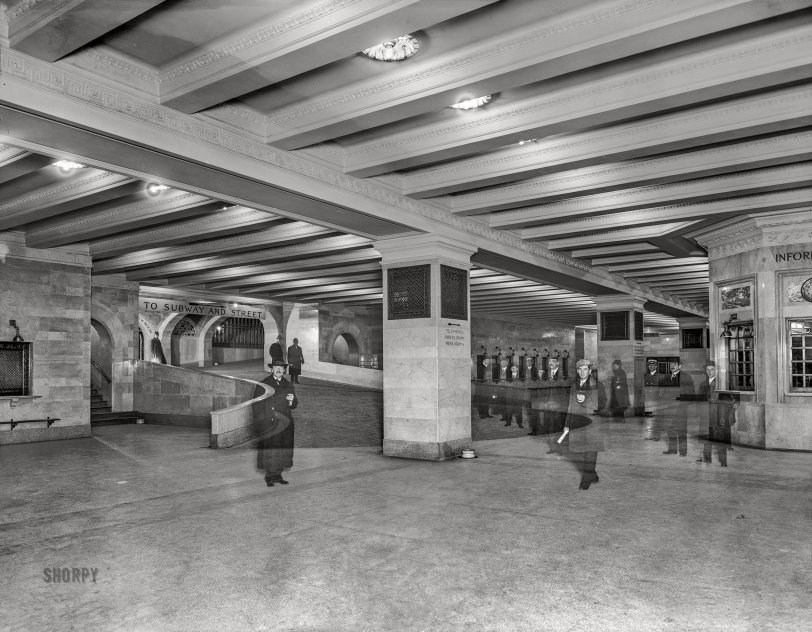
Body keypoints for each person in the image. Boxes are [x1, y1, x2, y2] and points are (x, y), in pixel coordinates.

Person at [555, 358, 607, 489]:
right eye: (580, 370)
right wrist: (567, 424)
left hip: (592, 424)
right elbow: (570, 406)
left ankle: (586, 480)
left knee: (591, 450)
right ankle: (592, 474)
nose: (582, 372)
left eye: (585, 369)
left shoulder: (598, 385)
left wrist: (585, 401)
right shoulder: (574, 386)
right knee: (582, 451)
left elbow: (602, 404)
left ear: (590, 371)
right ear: (577, 371)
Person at [253, 359, 298, 487]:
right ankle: (269, 476)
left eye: (281, 368)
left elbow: (294, 404)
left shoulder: (288, 384)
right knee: (270, 449)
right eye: (276, 367)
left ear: (284, 370)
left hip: (285, 423)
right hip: (270, 423)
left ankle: (278, 475)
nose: (278, 369)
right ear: (272, 369)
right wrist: (263, 421)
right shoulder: (264, 385)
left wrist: (291, 401)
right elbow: (256, 406)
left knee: (282, 448)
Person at [697, 362, 733, 466]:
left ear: (716, 370)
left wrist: (723, 416)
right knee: (706, 437)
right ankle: (707, 459)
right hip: (706, 415)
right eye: (708, 370)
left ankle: (723, 461)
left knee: (720, 438)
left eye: (712, 369)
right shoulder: (702, 384)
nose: (709, 372)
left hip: (718, 416)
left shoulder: (722, 383)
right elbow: (699, 400)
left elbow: (728, 401)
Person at [662, 361, 693, 457]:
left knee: (682, 430)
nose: (672, 366)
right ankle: (672, 449)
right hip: (669, 409)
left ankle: (683, 451)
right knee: (670, 429)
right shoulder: (667, 377)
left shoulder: (686, 377)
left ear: (679, 366)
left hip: (681, 409)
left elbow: (691, 393)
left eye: (674, 365)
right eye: (671, 365)